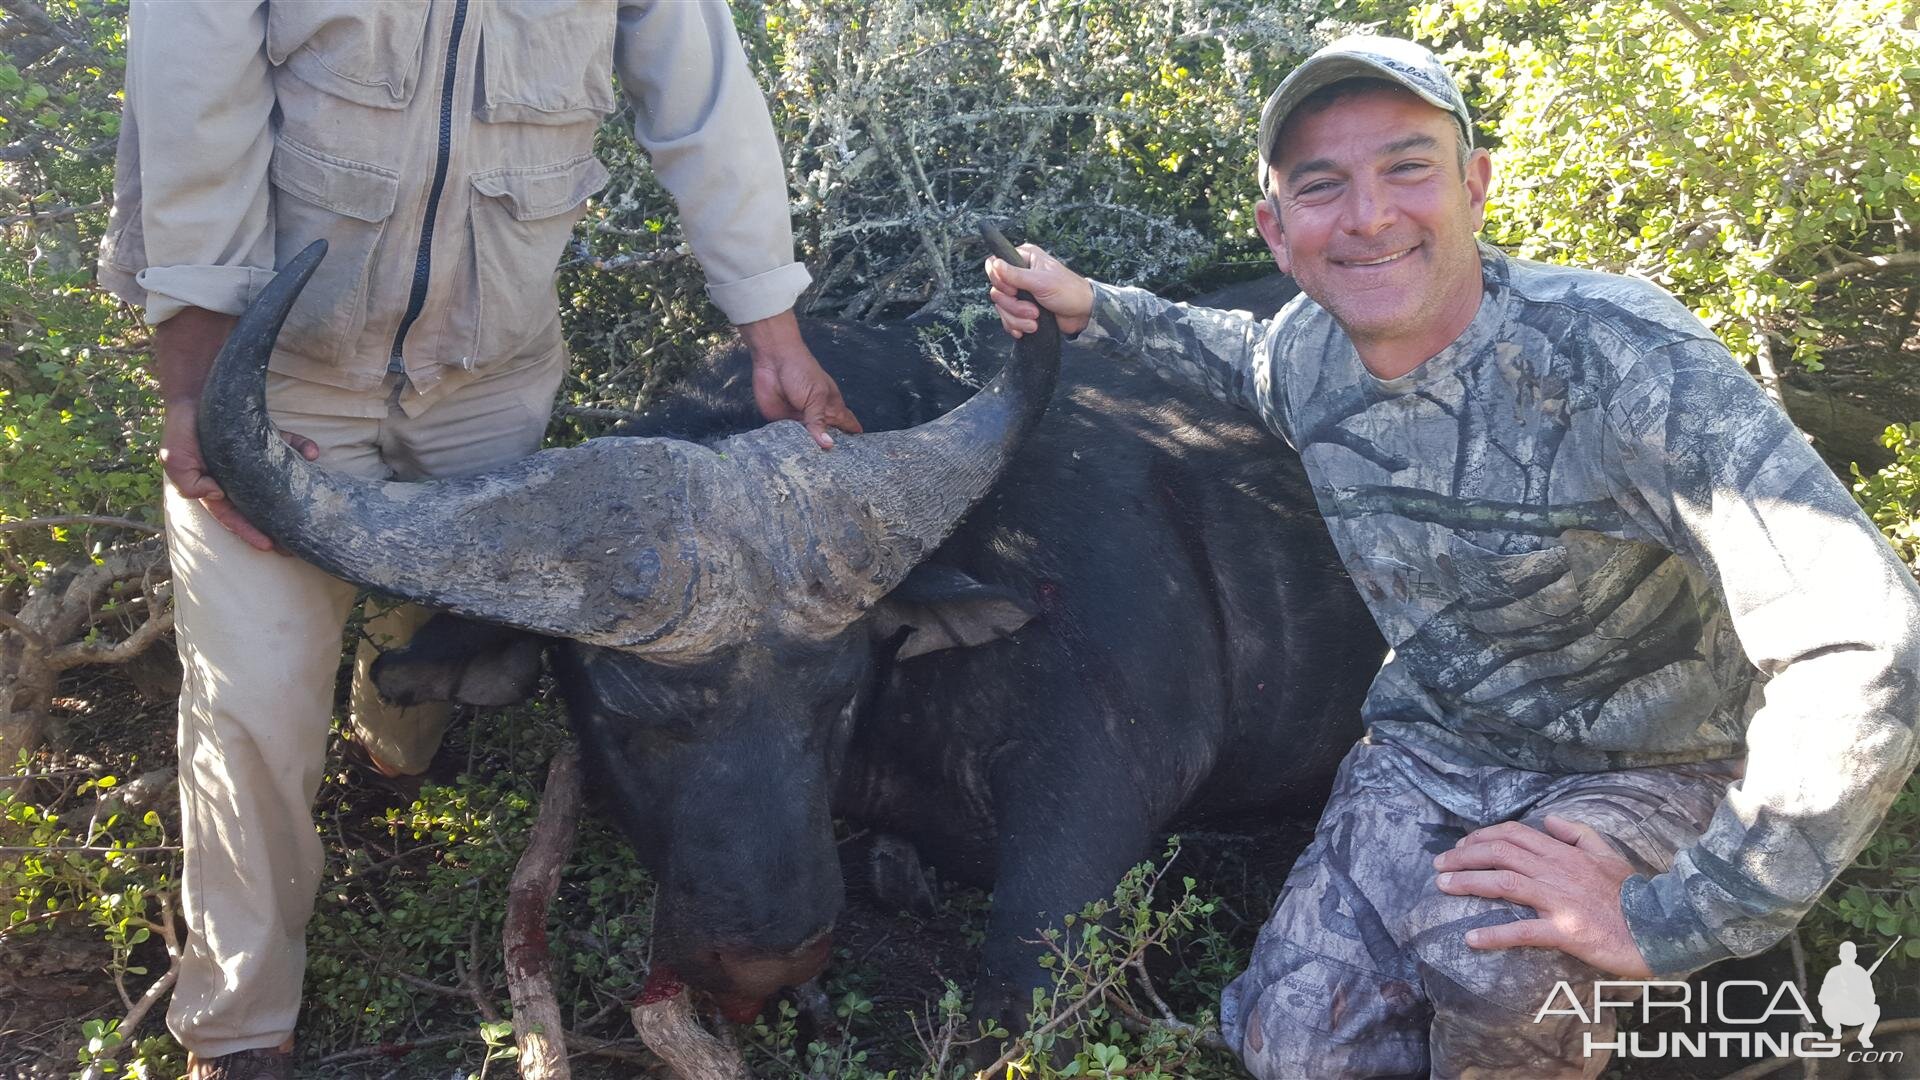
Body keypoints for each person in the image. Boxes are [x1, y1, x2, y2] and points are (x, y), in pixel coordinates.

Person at [987, 34, 1920, 1079]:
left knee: (1505, 980)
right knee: (1293, 1045)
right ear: (1278, 230)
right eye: (1323, 185)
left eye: (1407, 167)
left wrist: (1680, 915)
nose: (1371, 214)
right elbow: (1230, 355)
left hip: (1653, 765)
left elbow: (1868, 642)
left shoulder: (1621, 360)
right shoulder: (1306, 353)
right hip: (1431, 756)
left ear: (1476, 184)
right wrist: (1091, 307)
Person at [96, 3, 861, 1076]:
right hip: (279, 383)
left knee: (430, 647)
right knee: (254, 704)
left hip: (491, 380)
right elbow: (188, 118)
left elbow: (704, 104)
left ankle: (389, 746)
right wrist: (197, 387)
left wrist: (772, 331)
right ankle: (242, 1026)